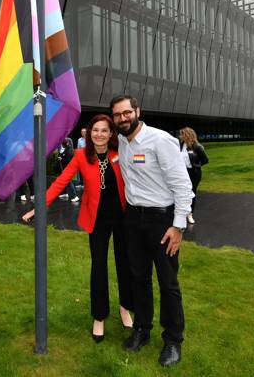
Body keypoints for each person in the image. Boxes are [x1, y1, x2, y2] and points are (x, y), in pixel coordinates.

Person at [22, 114, 133, 342]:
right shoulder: (82, 155)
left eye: (104, 130)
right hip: (97, 220)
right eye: (95, 130)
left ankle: (125, 308)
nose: (99, 134)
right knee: (99, 267)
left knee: (126, 265)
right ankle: (99, 316)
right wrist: (39, 207)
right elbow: (61, 181)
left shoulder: (121, 152)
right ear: (89, 133)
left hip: (123, 218)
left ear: (111, 133)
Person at [110, 95, 193, 367]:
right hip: (133, 219)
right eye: (117, 115)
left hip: (162, 220)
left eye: (126, 113)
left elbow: (183, 186)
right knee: (139, 278)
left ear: (137, 111)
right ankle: (142, 329)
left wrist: (178, 226)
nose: (122, 118)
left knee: (168, 282)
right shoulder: (121, 140)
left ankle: (172, 340)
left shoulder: (160, 140)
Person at [177, 127, 209, 225]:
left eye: (182, 134)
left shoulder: (197, 147)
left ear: (187, 135)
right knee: (180, 193)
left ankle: (190, 214)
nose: (180, 136)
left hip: (194, 173)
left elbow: (205, 160)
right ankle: (180, 213)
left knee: (191, 194)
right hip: (182, 173)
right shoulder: (180, 145)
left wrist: (196, 166)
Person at [57, 138, 79, 203]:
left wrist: (61, 159)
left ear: (65, 144)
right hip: (64, 168)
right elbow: (62, 155)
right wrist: (61, 156)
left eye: (62, 145)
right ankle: (65, 193)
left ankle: (75, 196)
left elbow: (68, 161)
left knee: (69, 182)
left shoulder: (69, 151)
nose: (62, 146)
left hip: (68, 169)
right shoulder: (66, 149)